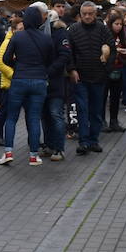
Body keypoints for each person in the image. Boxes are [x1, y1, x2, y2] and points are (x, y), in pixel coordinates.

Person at [0, 5, 55, 166]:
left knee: (11, 117)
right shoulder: (46, 38)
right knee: (34, 118)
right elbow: (50, 60)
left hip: (19, 80)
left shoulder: (17, 37)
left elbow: (5, 59)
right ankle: (33, 156)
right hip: (39, 81)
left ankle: (8, 152)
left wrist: (17, 65)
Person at [68, 2, 114, 155]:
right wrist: (72, 69)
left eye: (90, 13)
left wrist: (106, 70)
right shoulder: (74, 30)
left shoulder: (103, 29)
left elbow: (111, 50)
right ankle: (83, 142)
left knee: (96, 110)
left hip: (98, 77)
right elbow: (69, 52)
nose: (87, 16)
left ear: (95, 14)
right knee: (82, 109)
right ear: (80, 14)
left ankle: (93, 140)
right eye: (84, 14)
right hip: (80, 77)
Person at [42, 12, 72, 161]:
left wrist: (50, 71)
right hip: (43, 81)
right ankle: (49, 145)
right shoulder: (40, 32)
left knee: (55, 114)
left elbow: (65, 55)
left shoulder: (60, 34)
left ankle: (59, 148)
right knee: (45, 115)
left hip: (55, 82)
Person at [0, 16, 15, 148]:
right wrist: (14, 75)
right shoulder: (7, 42)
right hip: (8, 83)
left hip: (14, 83)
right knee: (4, 111)